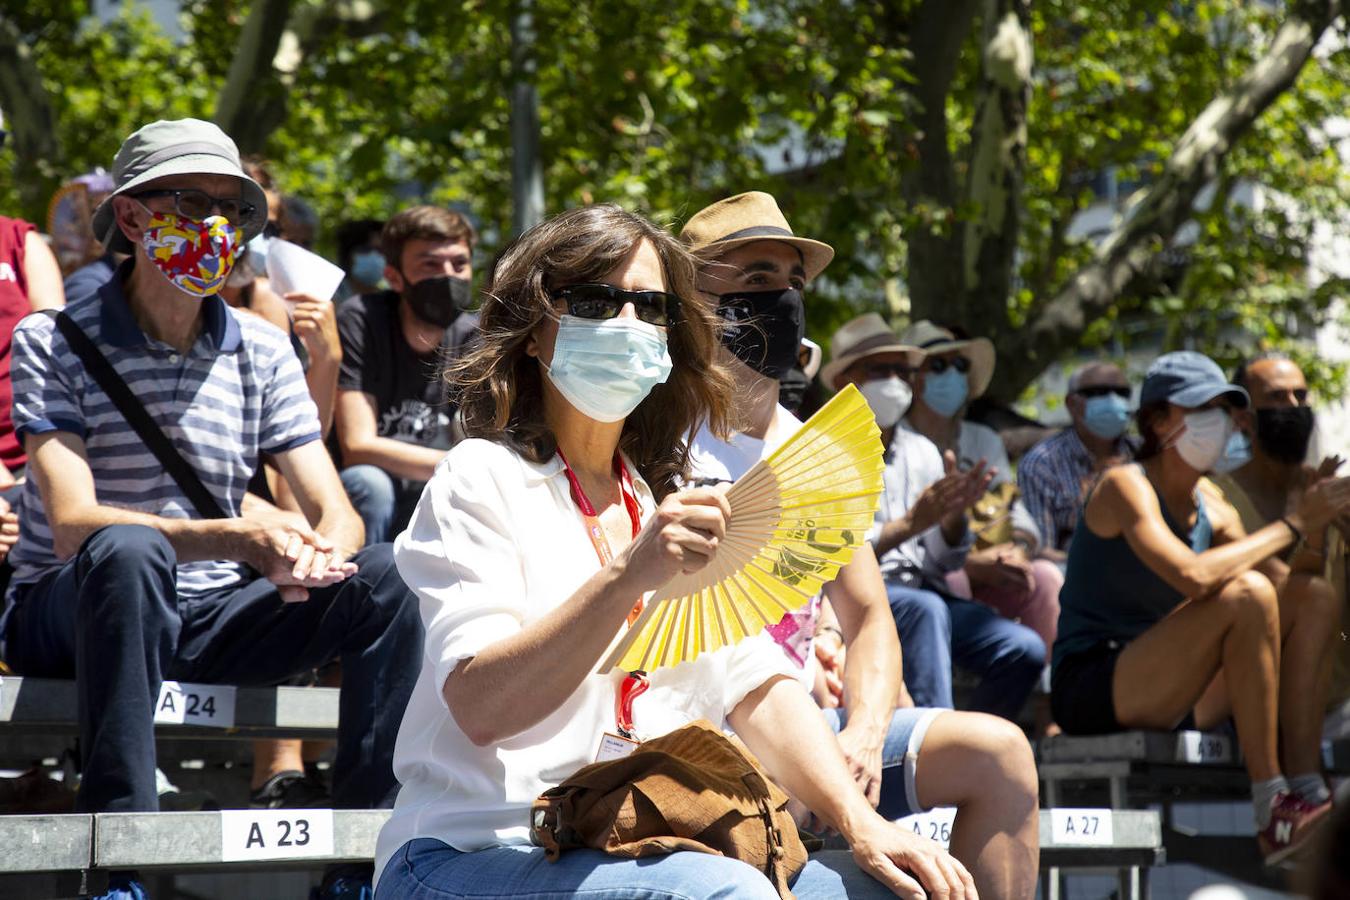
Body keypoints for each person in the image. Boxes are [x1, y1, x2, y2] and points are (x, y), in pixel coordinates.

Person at [376, 204, 982, 900]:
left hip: (639, 839)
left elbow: (758, 686)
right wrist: (632, 571)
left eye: (653, 307)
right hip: (472, 848)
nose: (628, 324)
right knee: (727, 895)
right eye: (598, 301)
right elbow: (483, 708)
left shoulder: (659, 498)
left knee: (895, 891)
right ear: (535, 331)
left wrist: (862, 821)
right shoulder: (481, 476)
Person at [0, 119, 423, 899]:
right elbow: (71, 524)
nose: (221, 229)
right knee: (128, 552)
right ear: (130, 216)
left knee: (388, 574)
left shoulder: (262, 349)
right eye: (195, 204)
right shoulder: (51, 338)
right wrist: (237, 536)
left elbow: (335, 506)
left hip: (210, 614)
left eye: (238, 210)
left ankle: (364, 861)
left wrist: (316, 553)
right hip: (72, 613)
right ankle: (116, 867)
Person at [680, 193, 1038, 896]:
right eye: (756, 278)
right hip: (699, 727)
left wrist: (867, 732)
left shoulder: (818, 453)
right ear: (693, 301)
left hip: (811, 726)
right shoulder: (652, 435)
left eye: (793, 280)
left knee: (1000, 753)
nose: (782, 297)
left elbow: (871, 616)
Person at [1051, 350, 1350, 864]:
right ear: (1158, 421)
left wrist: (1317, 530)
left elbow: (1288, 595)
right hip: (1096, 685)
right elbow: (1193, 577)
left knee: (1314, 597)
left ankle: (1306, 786)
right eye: (1202, 408)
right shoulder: (1125, 485)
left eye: (1226, 408)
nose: (1221, 421)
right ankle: (1271, 805)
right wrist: (1297, 523)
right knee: (1245, 593)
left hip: (1178, 686)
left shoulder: (1213, 502)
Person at [1207, 353, 1346, 810]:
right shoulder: (1217, 495)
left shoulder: (1328, 490)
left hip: (1338, 691)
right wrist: (1313, 526)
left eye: (1300, 396)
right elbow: (1287, 593)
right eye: (1277, 398)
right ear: (1243, 418)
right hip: (1256, 695)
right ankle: (1302, 787)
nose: (1293, 406)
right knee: (1313, 596)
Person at [899, 320, 1061, 657]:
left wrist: (1016, 551)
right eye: (938, 365)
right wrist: (971, 564)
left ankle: (1048, 697)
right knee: (954, 579)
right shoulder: (896, 443)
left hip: (996, 568)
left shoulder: (983, 439)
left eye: (960, 365)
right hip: (931, 578)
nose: (952, 375)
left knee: (1044, 577)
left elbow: (1016, 512)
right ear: (912, 379)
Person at [333, 205, 479, 546]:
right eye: (430, 265)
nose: (448, 276)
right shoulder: (362, 321)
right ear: (395, 277)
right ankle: (356, 591)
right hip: (368, 490)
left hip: (431, 483)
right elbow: (357, 446)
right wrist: (459, 466)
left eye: (459, 264)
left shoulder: (475, 334)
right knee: (372, 483)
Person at [1019, 362, 1136, 560]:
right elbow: (1041, 553)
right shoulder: (1041, 464)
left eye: (1122, 392)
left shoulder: (1145, 453)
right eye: (1099, 392)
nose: (1112, 399)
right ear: (1071, 403)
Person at [335, 218, 387, 301]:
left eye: (381, 251)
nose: (375, 256)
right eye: (367, 250)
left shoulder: (390, 302)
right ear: (349, 254)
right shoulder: (329, 295)